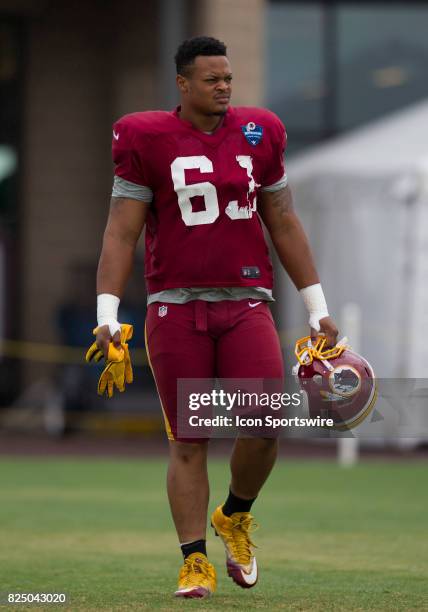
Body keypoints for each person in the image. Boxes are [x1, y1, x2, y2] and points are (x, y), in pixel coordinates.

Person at [93, 36, 338, 598]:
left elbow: (283, 219)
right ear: (182, 84)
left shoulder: (261, 132)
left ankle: (235, 514)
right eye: (211, 79)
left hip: (246, 301)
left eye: (228, 77)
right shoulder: (144, 135)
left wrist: (317, 307)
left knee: (264, 425)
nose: (224, 86)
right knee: (190, 438)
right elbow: (121, 229)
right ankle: (194, 560)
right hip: (175, 307)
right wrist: (107, 311)